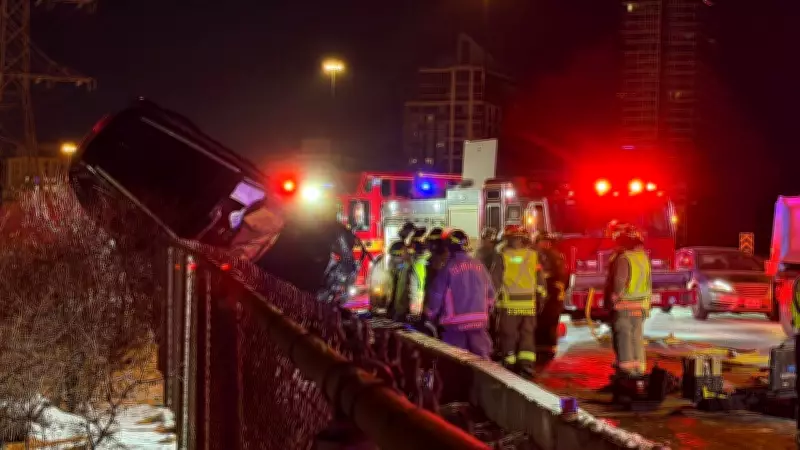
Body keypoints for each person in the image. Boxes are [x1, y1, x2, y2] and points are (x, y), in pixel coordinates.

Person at [426, 229, 495, 358]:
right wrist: (486, 310)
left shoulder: (448, 267)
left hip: (455, 324)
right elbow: (490, 293)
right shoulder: (479, 265)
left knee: (456, 360)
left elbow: (437, 294)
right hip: (479, 322)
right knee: (482, 361)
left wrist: (430, 314)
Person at [496, 225, 545, 376]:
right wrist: (541, 298)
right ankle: (526, 364)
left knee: (509, 334)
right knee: (527, 334)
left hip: (509, 305)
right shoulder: (533, 256)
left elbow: (495, 281)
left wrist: (491, 302)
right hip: (528, 304)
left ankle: (509, 362)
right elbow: (541, 281)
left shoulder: (502, 256)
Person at [605, 224, 652, 377]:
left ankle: (626, 371)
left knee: (623, 337)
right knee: (636, 336)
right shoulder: (643, 258)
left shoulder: (624, 258)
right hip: (640, 305)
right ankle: (639, 368)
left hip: (624, 305)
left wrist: (613, 298)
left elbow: (619, 281)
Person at [533, 231, 567, 369]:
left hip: (551, 294)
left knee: (550, 322)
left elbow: (561, 276)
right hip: (542, 294)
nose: (546, 244)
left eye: (547, 242)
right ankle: (541, 348)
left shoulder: (553, 256)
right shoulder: (535, 255)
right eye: (543, 241)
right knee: (539, 322)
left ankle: (548, 349)